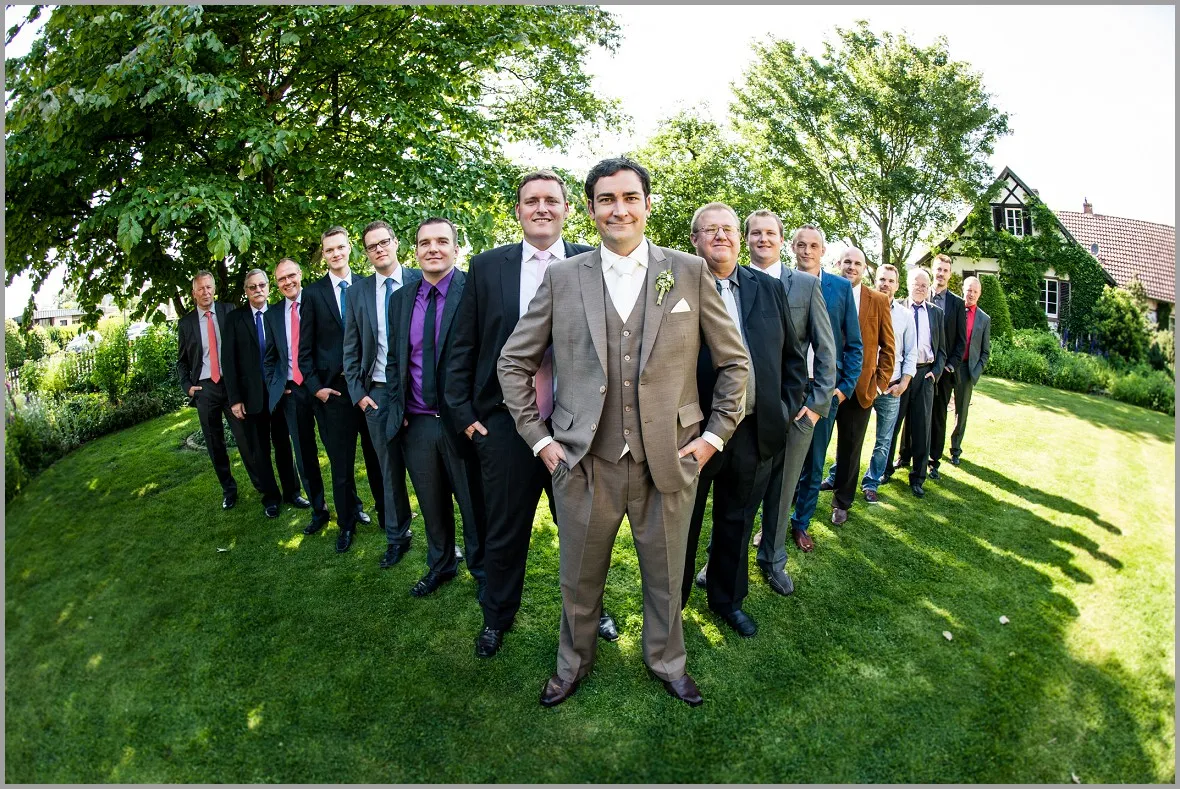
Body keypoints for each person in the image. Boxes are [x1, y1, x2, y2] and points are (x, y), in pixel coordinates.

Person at [498, 157, 748, 708]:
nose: (619, 209)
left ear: (647, 204)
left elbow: (735, 363)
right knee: (579, 581)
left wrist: (713, 438)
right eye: (606, 199)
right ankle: (572, 664)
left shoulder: (689, 271)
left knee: (667, 579)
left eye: (630, 197)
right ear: (590, 210)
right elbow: (513, 362)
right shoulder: (564, 277)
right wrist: (540, 440)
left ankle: (667, 661)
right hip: (584, 461)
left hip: (670, 459)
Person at [447, 170, 619, 659]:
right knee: (504, 529)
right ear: (518, 210)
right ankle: (497, 616)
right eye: (531, 201)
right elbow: (463, 344)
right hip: (505, 423)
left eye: (551, 200)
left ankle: (592, 610)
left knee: (583, 531)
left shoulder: (594, 262)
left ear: (568, 208)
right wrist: (465, 414)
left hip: (575, 424)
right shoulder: (487, 267)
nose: (541, 208)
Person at [680, 203, 807, 638]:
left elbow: (792, 358)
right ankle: (673, 603)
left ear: (739, 237)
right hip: (693, 433)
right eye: (710, 230)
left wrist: (783, 409)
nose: (721, 236)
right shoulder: (676, 285)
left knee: (736, 521)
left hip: (754, 430)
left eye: (728, 229)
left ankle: (727, 600)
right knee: (683, 523)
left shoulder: (766, 288)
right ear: (694, 239)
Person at [385, 217, 487, 598]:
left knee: (473, 504)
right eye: (425, 242)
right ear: (415, 251)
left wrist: (474, 415)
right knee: (431, 502)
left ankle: (483, 570)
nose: (433, 249)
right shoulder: (400, 300)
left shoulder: (474, 291)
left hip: (462, 422)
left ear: (456, 249)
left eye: (442, 241)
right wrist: (398, 409)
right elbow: (395, 360)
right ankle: (441, 564)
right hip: (417, 423)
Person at [741, 210, 835, 592]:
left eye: (770, 233)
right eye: (755, 233)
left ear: (782, 241)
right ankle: (721, 558)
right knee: (738, 489)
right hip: (744, 409)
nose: (763, 239)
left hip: (796, 410)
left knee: (782, 492)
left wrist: (815, 406)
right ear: (747, 239)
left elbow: (826, 350)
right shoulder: (733, 281)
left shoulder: (806, 286)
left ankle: (773, 559)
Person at [299, 226, 385, 553]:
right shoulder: (312, 294)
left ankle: (387, 516)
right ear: (323, 255)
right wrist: (317, 389)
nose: (335, 254)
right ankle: (346, 524)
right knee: (341, 465)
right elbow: (304, 351)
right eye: (329, 250)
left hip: (368, 388)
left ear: (349, 248)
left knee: (377, 459)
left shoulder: (367, 285)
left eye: (340, 247)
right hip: (334, 394)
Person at [342, 220, 421, 569]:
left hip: (419, 392)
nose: (379, 249)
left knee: (430, 470)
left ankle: (444, 542)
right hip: (378, 394)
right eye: (372, 246)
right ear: (366, 253)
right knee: (389, 472)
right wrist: (359, 394)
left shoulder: (421, 279)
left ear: (396, 242)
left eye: (384, 242)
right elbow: (350, 347)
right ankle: (397, 537)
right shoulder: (357, 293)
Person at [786, 225, 863, 552]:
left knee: (814, 463)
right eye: (801, 245)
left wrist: (843, 389)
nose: (807, 251)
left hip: (824, 391)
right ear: (792, 247)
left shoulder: (840, 288)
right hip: (788, 387)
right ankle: (770, 523)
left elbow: (854, 345)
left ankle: (800, 523)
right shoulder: (781, 282)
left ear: (823, 250)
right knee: (779, 462)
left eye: (813, 246)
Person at [223, 268, 308, 518]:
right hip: (251, 398)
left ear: (268, 288)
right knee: (259, 450)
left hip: (279, 393)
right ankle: (270, 498)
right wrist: (235, 399)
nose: (258, 290)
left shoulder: (278, 314)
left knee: (284, 445)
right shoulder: (235, 319)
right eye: (252, 287)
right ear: (246, 291)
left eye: (261, 285)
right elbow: (228, 362)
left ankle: (292, 492)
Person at [818, 249, 894, 524]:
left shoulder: (878, 300)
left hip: (861, 390)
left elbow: (888, 347)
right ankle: (801, 493)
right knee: (814, 446)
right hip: (825, 385)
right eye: (847, 262)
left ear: (864, 269)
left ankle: (842, 502)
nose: (851, 267)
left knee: (851, 448)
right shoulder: (823, 291)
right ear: (838, 264)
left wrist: (879, 385)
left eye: (857, 263)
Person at [176, 270, 258, 511]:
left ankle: (262, 486)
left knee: (245, 439)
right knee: (215, 444)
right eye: (200, 288)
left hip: (231, 386)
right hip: (205, 389)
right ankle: (229, 490)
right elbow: (181, 361)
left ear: (214, 289)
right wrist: (188, 387)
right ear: (194, 293)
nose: (206, 292)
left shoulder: (228, 311)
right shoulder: (186, 323)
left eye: (209, 287)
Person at [263, 258, 332, 535]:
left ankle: (352, 506)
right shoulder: (272, 315)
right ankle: (319, 510)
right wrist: (277, 385)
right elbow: (269, 358)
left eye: (291, 275)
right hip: (293, 393)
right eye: (281, 279)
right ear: (276, 284)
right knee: (304, 455)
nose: (287, 282)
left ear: (300, 274)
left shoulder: (317, 301)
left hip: (322, 389)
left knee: (337, 451)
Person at [860, 264, 917, 503]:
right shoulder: (863, 306)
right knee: (852, 435)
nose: (886, 284)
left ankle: (871, 482)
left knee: (884, 440)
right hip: (863, 384)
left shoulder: (905, 316)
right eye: (882, 279)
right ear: (875, 281)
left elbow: (911, 352)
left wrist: (904, 383)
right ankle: (836, 476)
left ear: (897, 285)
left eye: (891, 281)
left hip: (891, 387)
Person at [888, 268, 945, 498]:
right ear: (908, 285)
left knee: (922, 428)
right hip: (900, 374)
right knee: (892, 424)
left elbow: (942, 350)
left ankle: (918, 477)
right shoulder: (898, 308)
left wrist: (935, 373)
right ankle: (885, 470)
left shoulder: (936, 313)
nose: (920, 288)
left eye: (924, 285)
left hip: (924, 374)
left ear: (928, 288)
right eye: (916, 284)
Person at [926, 253, 967, 480]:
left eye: (945, 270)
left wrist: (950, 365)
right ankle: (905, 455)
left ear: (950, 274)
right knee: (914, 414)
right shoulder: (921, 294)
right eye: (938, 269)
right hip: (921, 368)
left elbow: (961, 341)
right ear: (933, 270)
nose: (941, 273)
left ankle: (933, 461)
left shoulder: (957, 304)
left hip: (944, 373)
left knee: (938, 416)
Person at [949, 276, 991, 465]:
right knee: (937, 408)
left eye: (975, 291)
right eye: (969, 290)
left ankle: (955, 450)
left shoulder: (984, 319)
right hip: (948, 366)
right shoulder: (953, 309)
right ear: (963, 290)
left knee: (961, 412)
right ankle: (932, 448)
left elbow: (985, 352)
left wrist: (976, 371)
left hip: (967, 369)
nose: (971, 294)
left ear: (979, 294)